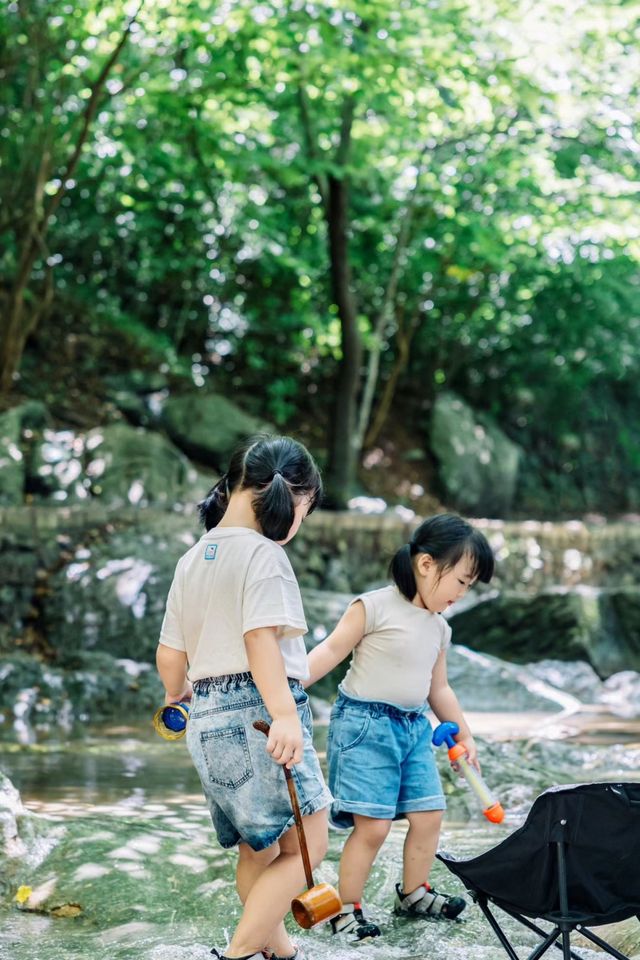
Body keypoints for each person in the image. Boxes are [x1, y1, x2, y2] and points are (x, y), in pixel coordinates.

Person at [156, 435, 332, 960]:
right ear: (291, 498)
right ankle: (236, 955)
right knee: (309, 845)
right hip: (259, 711)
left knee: (261, 850)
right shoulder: (265, 556)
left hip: (204, 712)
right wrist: (284, 715)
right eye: (306, 509)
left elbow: (170, 655)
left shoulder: (193, 558)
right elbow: (260, 640)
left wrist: (176, 697)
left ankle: (279, 953)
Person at [304, 513, 495, 942]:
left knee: (429, 813)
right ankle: (347, 908)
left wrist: (462, 732)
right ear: (426, 565)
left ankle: (413, 892)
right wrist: (284, 688)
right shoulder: (372, 606)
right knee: (372, 825)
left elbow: (438, 687)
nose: (462, 593)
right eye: (462, 581)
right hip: (364, 726)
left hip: (412, 730)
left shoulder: (439, 628)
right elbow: (330, 651)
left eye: (469, 585)